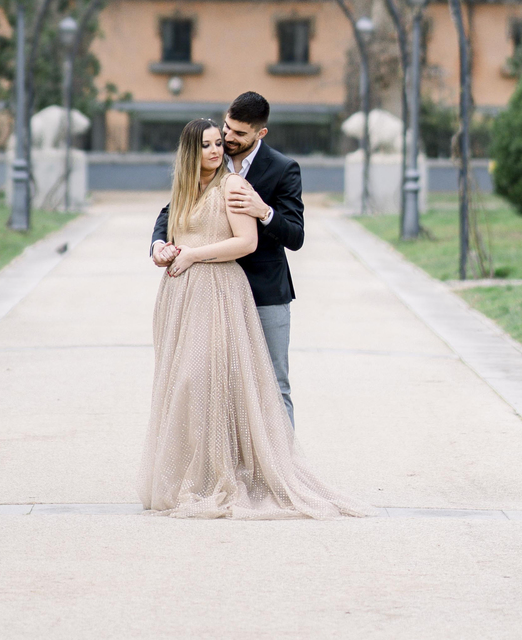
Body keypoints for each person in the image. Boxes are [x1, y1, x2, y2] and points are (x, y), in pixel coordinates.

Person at [138, 116, 364, 519]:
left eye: (218, 143)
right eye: (207, 143)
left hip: (222, 292)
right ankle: (201, 475)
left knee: (223, 380)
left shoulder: (235, 184)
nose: (216, 148)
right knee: (183, 383)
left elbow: (248, 241)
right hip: (183, 297)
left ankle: (270, 471)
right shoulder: (187, 188)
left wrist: (193, 254)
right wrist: (163, 247)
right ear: (190, 151)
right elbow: (168, 221)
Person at [151, 90, 302, 422]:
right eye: (225, 130)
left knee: (274, 385)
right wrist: (159, 243)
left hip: (264, 292)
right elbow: (171, 209)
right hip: (212, 294)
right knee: (219, 385)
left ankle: (281, 466)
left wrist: (264, 212)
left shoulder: (282, 169)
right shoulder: (204, 166)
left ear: (260, 133)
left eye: (237, 134)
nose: (226, 139)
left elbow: (296, 235)